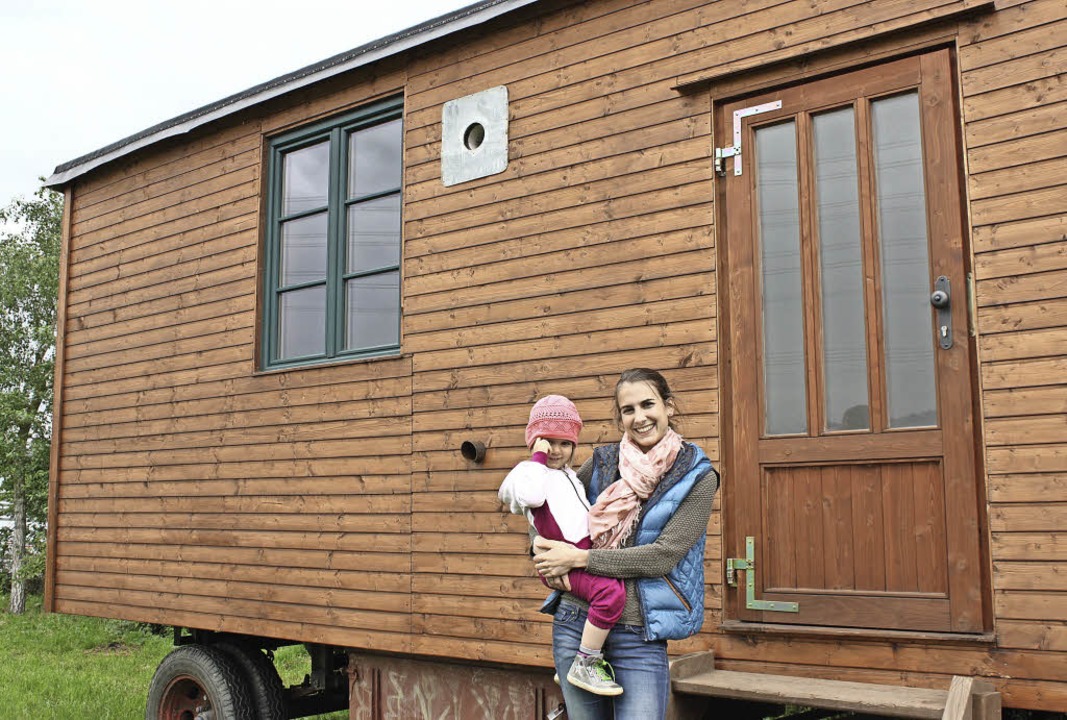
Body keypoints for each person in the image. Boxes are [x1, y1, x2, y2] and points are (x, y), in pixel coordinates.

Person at [531, 369, 719, 720]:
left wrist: (580, 558)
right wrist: (543, 555)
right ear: (620, 418)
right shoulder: (602, 462)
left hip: (639, 633)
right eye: (628, 409)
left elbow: (663, 556)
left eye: (648, 404)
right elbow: (546, 501)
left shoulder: (698, 476)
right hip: (576, 618)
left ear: (669, 407)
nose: (639, 417)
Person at [498, 395, 626, 696]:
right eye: (548, 441)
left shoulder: (569, 475)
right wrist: (537, 459)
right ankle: (585, 663)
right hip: (559, 560)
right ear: (534, 441)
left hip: (575, 554)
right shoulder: (529, 472)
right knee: (610, 594)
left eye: (564, 443)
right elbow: (528, 498)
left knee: (611, 586)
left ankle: (573, 662)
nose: (556, 450)